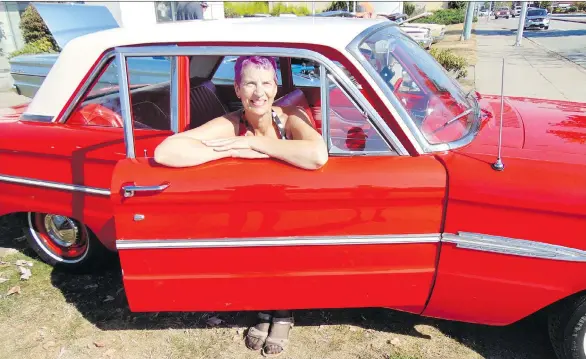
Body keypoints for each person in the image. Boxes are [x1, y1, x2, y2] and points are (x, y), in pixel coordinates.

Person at [154, 55, 328, 356]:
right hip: (253, 205)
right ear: (237, 89)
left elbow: (317, 155)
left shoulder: (291, 116)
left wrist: (253, 145)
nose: (258, 92)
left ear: (275, 88)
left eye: (265, 83)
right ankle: (265, 307)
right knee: (254, 243)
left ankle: (283, 313)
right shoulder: (232, 123)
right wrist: (226, 152)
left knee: (280, 243)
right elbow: (165, 151)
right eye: (249, 83)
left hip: (298, 204)